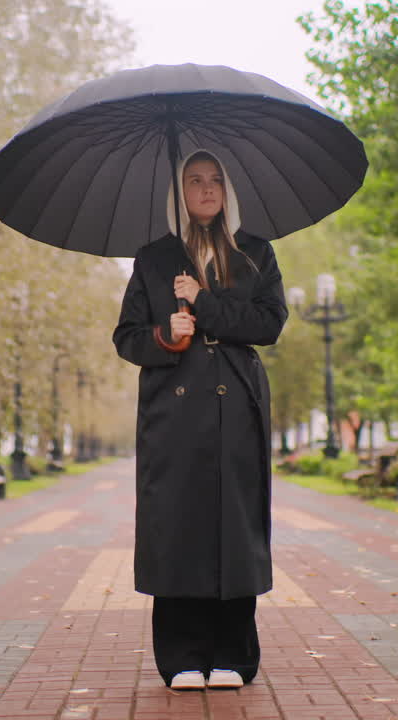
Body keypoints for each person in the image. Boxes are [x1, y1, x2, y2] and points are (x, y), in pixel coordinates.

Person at [112, 149, 288, 691]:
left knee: (234, 527)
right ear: (179, 193)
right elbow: (126, 337)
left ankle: (234, 654)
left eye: (216, 180)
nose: (206, 189)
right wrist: (167, 337)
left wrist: (206, 304)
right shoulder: (154, 259)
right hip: (175, 410)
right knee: (179, 526)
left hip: (236, 406)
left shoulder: (256, 253)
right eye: (194, 180)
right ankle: (182, 655)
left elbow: (270, 323)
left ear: (228, 190)